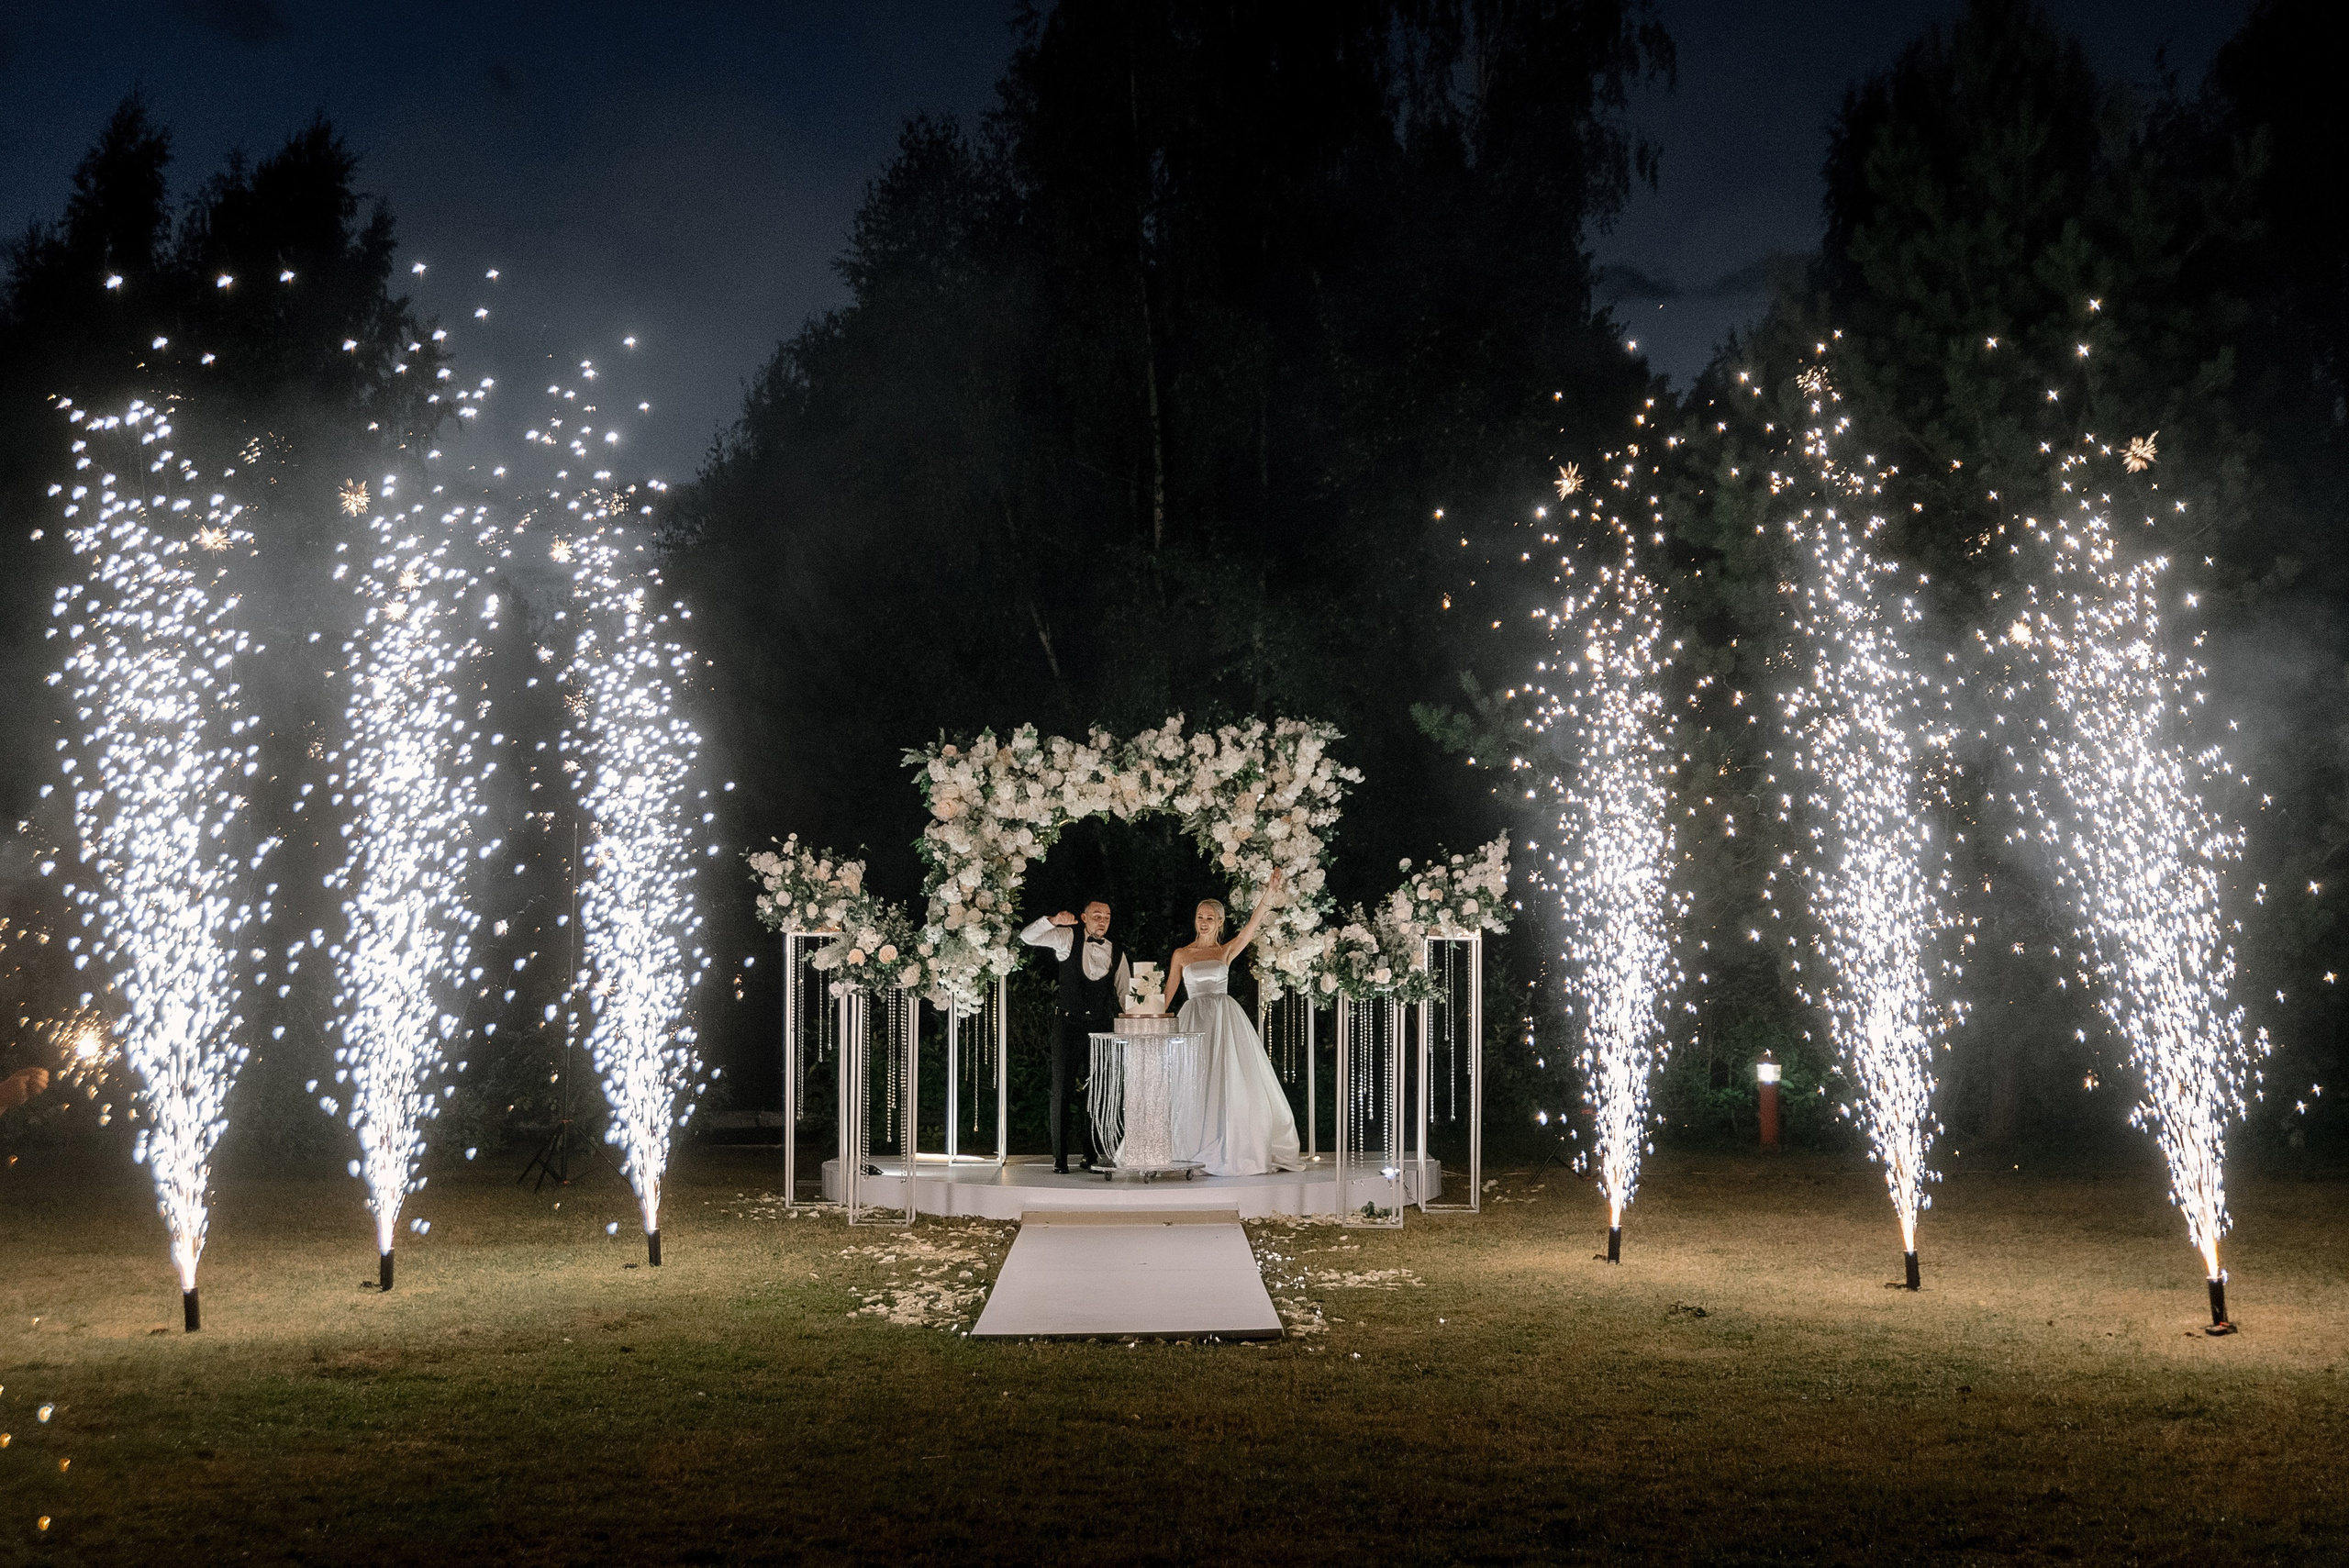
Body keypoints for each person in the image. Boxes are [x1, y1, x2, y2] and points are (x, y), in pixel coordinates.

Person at [1163, 869, 1303, 1177]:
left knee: (1227, 1079)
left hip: (1224, 1020)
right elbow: (1168, 994)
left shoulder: (1225, 950)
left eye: (1210, 917)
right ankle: (1189, 1142)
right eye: (1200, 916)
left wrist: (1269, 894)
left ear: (1219, 922)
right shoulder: (1181, 954)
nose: (1204, 921)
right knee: (1193, 1081)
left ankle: (1232, 1143)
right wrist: (1151, 1016)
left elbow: (1251, 928)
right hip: (1193, 1020)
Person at [1019, 899, 1130, 1173]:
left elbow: (1127, 995)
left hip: (1101, 1028)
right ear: (1083, 917)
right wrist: (1053, 920)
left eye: (1107, 916)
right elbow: (1027, 937)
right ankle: (1060, 1157)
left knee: (1099, 1091)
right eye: (1096, 915)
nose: (1102, 921)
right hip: (1067, 1023)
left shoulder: (1117, 952)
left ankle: (1090, 1155)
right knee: (1062, 1089)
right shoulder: (1067, 938)